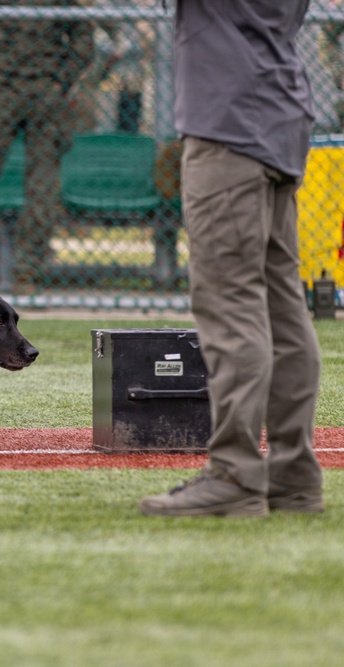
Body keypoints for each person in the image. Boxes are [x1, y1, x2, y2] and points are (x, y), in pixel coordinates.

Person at [140, 0, 324, 517]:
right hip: (277, 117)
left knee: (231, 305)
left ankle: (236, 475)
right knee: (282, 307)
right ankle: (293, 478)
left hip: (228, 125)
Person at [0, 0, 93, 287]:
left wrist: (60, 79)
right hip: (2, 89)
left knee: (41, 186)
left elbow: (83, 37)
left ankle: (29, 270)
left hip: (44, 94)